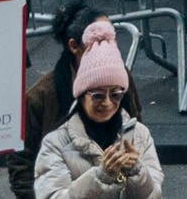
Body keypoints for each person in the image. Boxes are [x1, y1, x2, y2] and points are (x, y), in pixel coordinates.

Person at [34, 23, 161, 199]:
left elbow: (155, 195)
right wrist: (101, 176)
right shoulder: (55, 143)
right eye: (98, 95)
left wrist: (136, 172)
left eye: (116, 95)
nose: (108, 103)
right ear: (81, 95)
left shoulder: (139, 135)